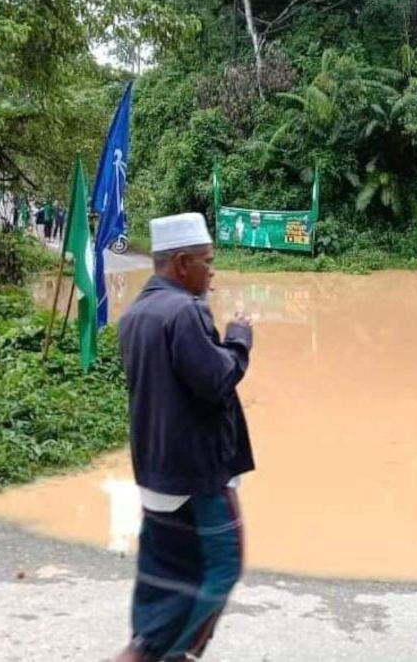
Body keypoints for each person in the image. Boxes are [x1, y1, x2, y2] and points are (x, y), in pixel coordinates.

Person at [115, 212, 254, 661]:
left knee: (164, 574)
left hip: (154, 473)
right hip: (198, 476)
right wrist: (238, 338)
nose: (212, 272)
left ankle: (143, 647)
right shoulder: (186, 311)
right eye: (206, 262)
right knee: (222, 566)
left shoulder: (135, 314)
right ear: (180, 264)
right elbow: (215, 381)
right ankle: (176, 654)